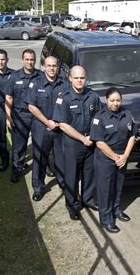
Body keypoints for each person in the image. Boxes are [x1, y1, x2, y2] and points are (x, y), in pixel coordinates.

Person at [52, 65, 103, 220]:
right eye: (76, 78)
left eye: (82, 78)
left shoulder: (93, 96)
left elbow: (98, 118)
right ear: (70, 79)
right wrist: (82, 138)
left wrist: (93, 137)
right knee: (72, 176)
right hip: (73, 144)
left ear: (85, 78)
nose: (80, 81)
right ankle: (72, 205)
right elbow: (62, 124)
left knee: (89, 174)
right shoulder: (64, 98)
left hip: (90, 141)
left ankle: (87, 200)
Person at [91, 87, 137, 233]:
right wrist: (115, 157)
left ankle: (117, 210)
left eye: (118, 100)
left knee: (118, 187)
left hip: (122, 158)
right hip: (105, 159)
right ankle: (106, 220)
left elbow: (132, 136)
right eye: (112, 100)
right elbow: (99, 142)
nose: (115, 103)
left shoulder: (127, 114)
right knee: (105, 191)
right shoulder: (99, 117)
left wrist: (125, 156)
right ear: (106, 100)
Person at [25, 56, 69, 201]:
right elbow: (31, 106)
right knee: (40, 158)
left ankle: (63, 182)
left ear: (58, 67)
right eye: (48, 65)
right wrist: (48, 122)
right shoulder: (36, 83)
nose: (51, 68)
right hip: (41, 127)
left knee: (62, 157)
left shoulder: (65, 84)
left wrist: (59, 123)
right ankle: (38, 187)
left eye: (54, 66)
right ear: (43, 67)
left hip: (60, 128)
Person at [5, 49, 42, 183]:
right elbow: (8, 98)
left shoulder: (41, 76)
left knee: (41, 145)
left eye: (32, 59)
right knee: (19, 146)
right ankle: (17, 169)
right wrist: (8, 118)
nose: (29, 62)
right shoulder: (14, 76)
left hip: (38, 116)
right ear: (22, 60)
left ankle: (44, 167)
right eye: (27, 59)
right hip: (20, 116)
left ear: (35, 60)